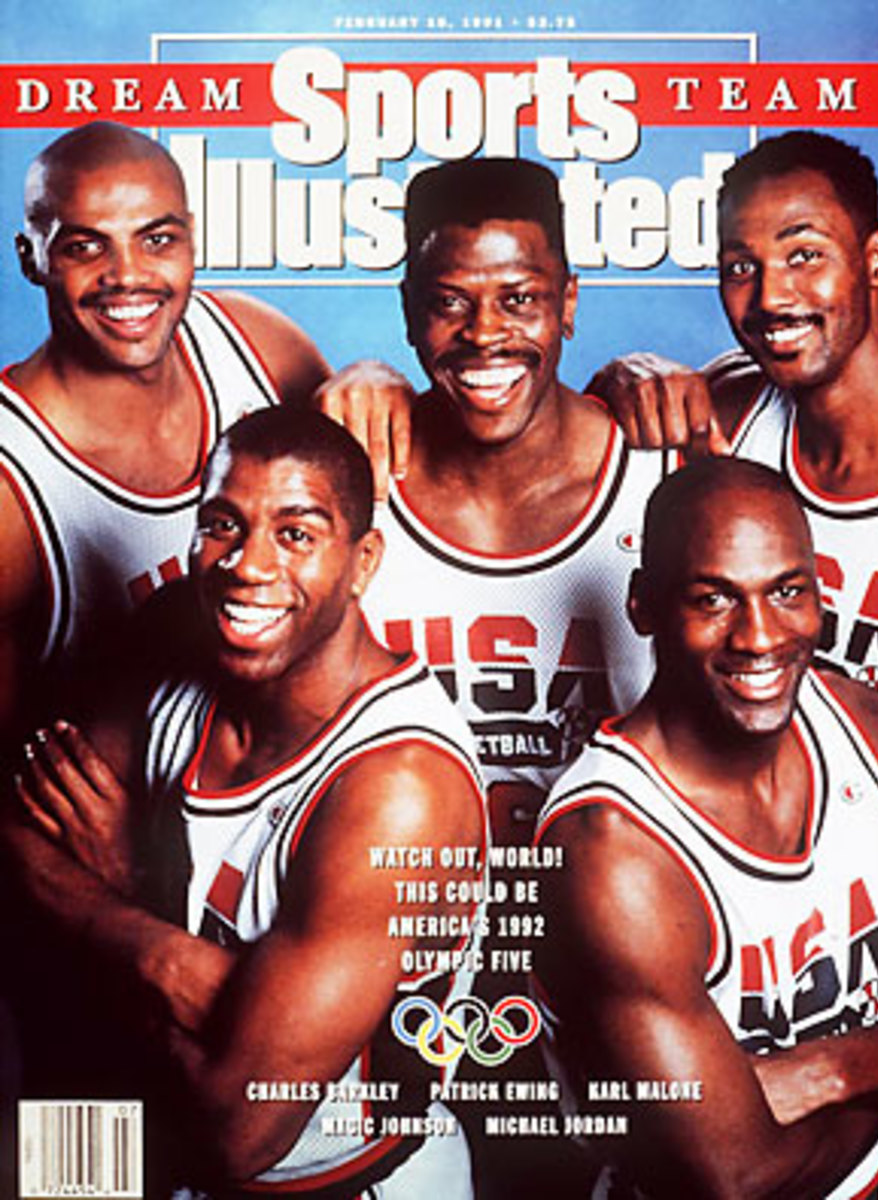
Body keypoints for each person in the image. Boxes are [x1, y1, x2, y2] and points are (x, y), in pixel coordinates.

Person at [4, 405, 487, 1198]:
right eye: (223, 525)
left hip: (346, 1181)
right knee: (23, 1160)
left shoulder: (398, 785)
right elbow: (17, 837)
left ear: (362, 561)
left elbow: (242, 1135)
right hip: (152, 1139)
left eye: (295, 534)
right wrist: (173, 961)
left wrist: (134, 892)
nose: (247, 565)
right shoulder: (177, 632)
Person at [535, 457, 878, 1198]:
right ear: (643, 606)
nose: (759, 636)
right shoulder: (611, 850)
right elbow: (738, 1176)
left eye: (787, 592)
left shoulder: (863, 723)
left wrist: (829, 1069)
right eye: (713, 600)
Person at [0, 120, 412, 754]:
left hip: (293, 766)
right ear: (32, 258)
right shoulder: (13, 481)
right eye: (85, 247)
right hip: (130, 798)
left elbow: (364, 498)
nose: (127, 275)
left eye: (156, 239)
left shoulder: (253, 342)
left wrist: (377, 375)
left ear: (191, 238)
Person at [363, 157, 669, 846]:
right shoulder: (354, 483)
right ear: (409, 311)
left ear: (568, 302)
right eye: (449, 302)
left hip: (627, 895)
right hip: (400, 898)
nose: (484, 332)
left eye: (519, 299)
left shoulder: (664, 475)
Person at [593, 131, 878, 706]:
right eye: (740, 267)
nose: (770, 298)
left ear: (876, 259)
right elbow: (571, 439)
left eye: (804, 256)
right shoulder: (725, 415)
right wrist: (618, 379)